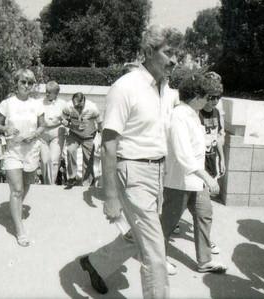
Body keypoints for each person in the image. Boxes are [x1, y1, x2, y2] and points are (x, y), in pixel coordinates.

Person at [79, 25, 183, 298]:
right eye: (169, 53)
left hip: (157, 171)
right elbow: (109, 143)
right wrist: (110, 196)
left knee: (140, 236)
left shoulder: (165, 88)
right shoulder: (125, 87)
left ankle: (96, 263)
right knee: (155, 252)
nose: (175, 60)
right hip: (132, 172)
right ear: (148, 52)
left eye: (177, 54)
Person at [160, 71, 227, 275]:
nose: (209, 102)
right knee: (167, 224)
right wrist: (207, 177)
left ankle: (204, 261)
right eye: (207, 97)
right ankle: (156, 259)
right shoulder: (180, 116)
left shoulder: (192, 115)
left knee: (204, 215)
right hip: (179, 182)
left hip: (196, 182)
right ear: (196, 97)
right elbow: (183, 154)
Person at [0, 68, 45, 247]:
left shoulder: (37, 104)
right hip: (12, 151)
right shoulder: (7, 103)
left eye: (30, 82)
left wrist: (35, 134)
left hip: (31, 150)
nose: (26, 85)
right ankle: (19, 228)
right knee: (17, 189)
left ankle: (16, 206)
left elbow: (42, 126)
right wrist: (5, 128)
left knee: (26, 185)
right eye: (23, 82)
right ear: (16, 83)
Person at [61, 92, 102, 189]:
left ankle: (87, 181)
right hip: (74, 133)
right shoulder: (67, 107)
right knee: (71, 150)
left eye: (80, 107)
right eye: (76, 107)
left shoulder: (92, 108)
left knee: (88, 158)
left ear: (84, 101)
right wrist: (69, 125)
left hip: (89, 135)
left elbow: (100, 123)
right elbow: (62, 119)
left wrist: (100, 137)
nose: (78, 109)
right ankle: (72, 177)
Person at [39, 81, 65, 185]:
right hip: (43, 134)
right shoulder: (40, 103)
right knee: (45, 161)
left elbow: (67, 118)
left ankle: (51, 184)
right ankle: (46, 183)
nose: (47, 94)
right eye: (46, 91)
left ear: (56, 93)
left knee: (54, 160)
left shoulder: (63, 104)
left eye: (50, 92)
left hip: (57, 134)